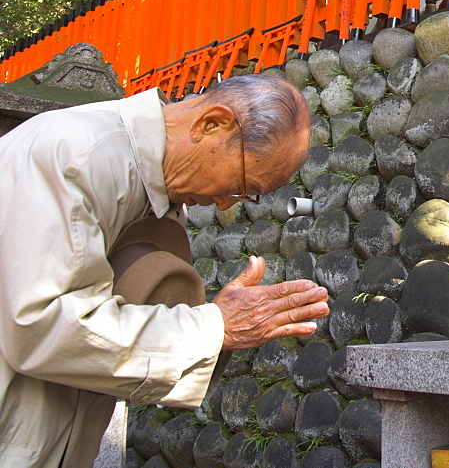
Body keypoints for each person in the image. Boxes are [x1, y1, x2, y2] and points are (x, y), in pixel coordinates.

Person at [0, 73, 330, 466]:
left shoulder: (153, 189)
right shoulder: (75, 156)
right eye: (241, 185)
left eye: (247, 196)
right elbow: (40, 325)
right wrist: (212, 327)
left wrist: (217, 331)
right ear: (212, 124)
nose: (225, 206)